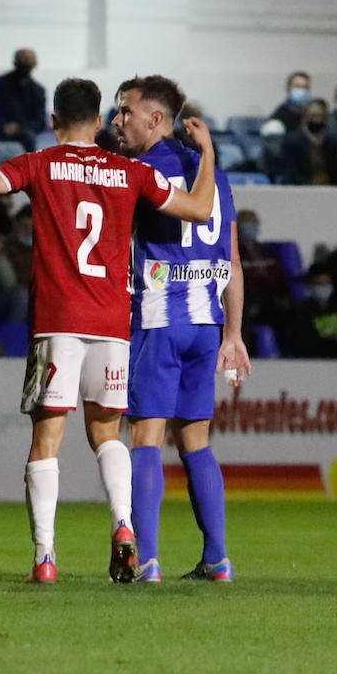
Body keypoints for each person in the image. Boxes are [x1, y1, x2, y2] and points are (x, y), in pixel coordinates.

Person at [0, 77, 217, 583]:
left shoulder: (37, 164)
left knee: (47, 438)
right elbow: (198, 210)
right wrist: (209, 156)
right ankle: (123, 526)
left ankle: (45, 558)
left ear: (51, 122)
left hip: (58, 321)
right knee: (108, 433)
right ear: (97, 122)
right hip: (113, 325)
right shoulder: (128, 170)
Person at [110, 74, 247, 584]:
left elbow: (120, 244)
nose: (118, 120)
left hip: (160, 320)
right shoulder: (216, 176)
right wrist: (233, 334)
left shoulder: (143, 171)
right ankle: (217, 559)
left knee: (145, 437)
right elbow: (232, 260)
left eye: (126, 111)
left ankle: (146, 560)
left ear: (157, 120)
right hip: (205, 325)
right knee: (195, 440)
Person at [235, 209, 295, 344]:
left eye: (254, 222)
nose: (251, 226)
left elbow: (280, 277)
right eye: (247, 222)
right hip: (247, 302)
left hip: (270, 301)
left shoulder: (268, 252)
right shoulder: (232, 253)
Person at [285, 265, 337, 358]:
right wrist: (325, 334)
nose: (324, 287)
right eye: (319, 284)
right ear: (311, 285)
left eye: (327, 283)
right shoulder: (301, 311)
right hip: (311, 361)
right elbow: (299, 340)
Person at [277, 98, 337, 184]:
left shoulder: (331, 141)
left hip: (328, 189)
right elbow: (291, 173)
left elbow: (335, 173)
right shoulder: (291, 140)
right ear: (305, 116)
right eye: (313, 115)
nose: (317, 119)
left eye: (320, 115)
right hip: (300, 190)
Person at [0, 48, 48, 151]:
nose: (25, 63)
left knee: (29, 137)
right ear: (15, 62)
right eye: (22, 60)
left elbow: (40, 121)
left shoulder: (38, 90)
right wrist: (3, 125)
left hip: (24, 131)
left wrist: (19, 127)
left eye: (28, 60)